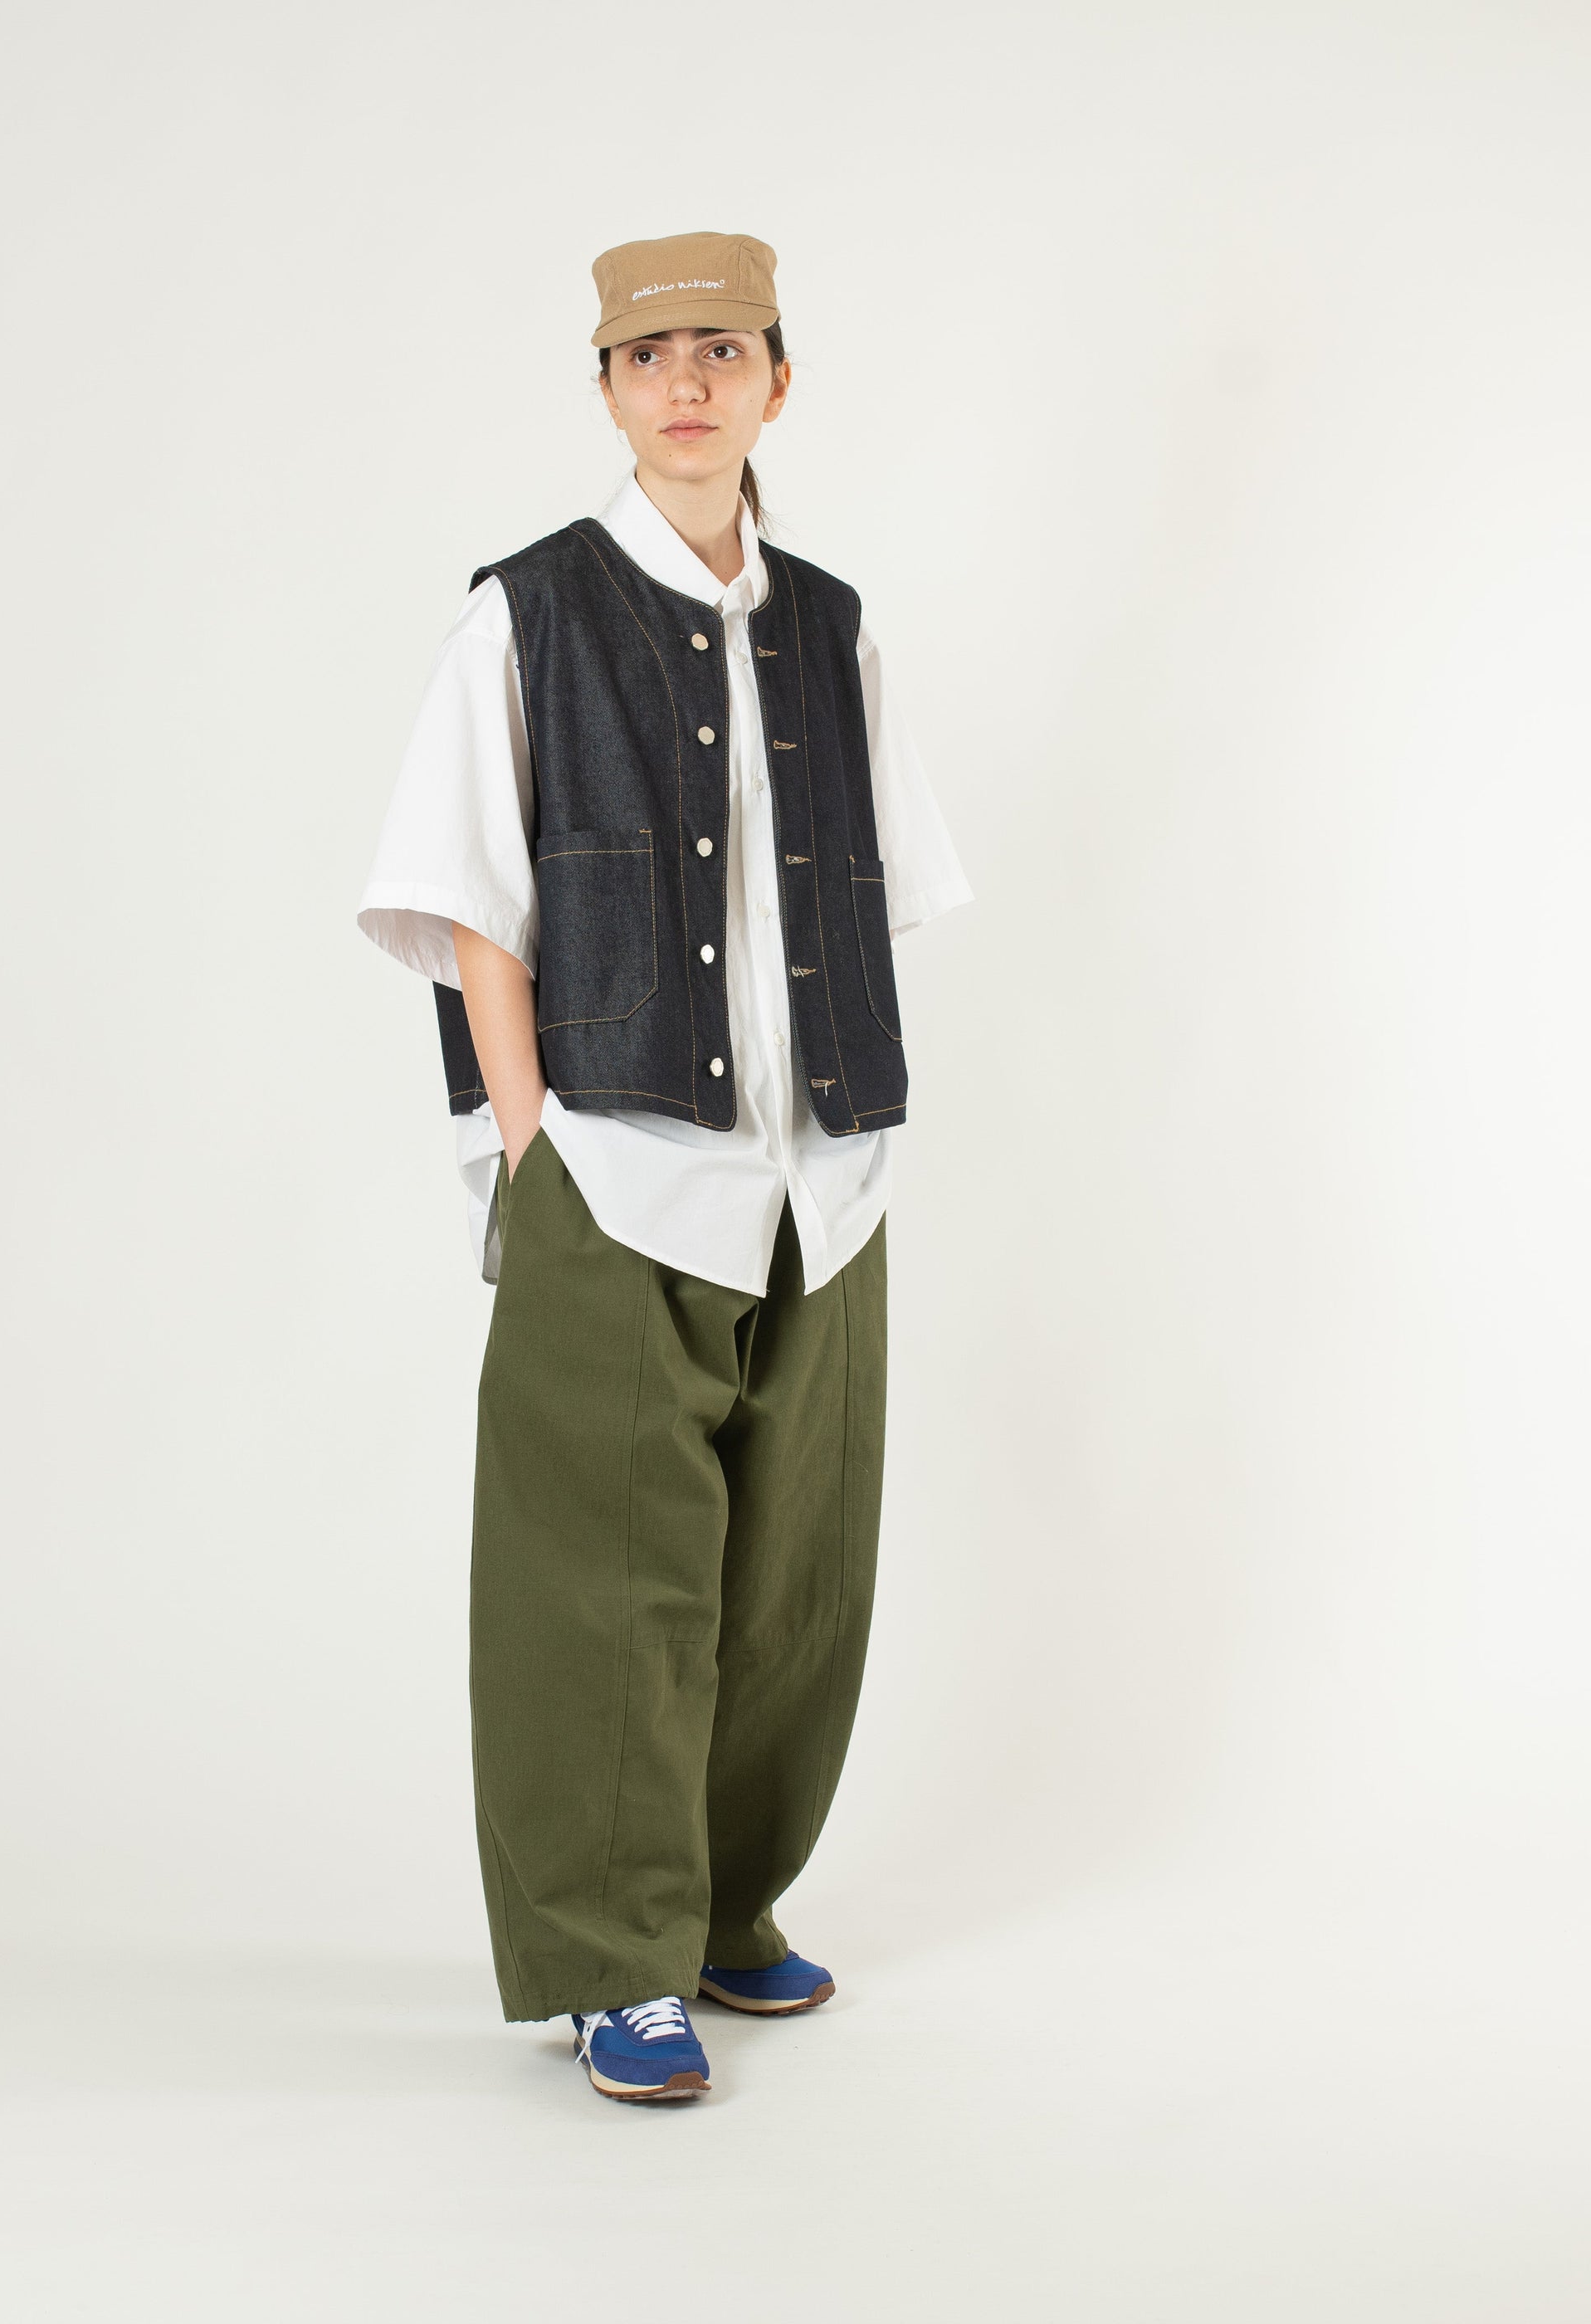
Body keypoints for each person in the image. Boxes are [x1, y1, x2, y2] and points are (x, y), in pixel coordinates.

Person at [358, 231, 971, 2102]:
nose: (685, 383)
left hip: (822, 1178)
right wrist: (529, 1144)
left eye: (721, 349)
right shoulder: (526, 613)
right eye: (647, 356)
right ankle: (610, 1959)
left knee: (794, 1583)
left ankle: (722, 1905)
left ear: (778, 380)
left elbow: (877, 884)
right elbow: (471, 902)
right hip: (615, 1171)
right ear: (608, 390)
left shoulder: (835, 623)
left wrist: (852, 1123)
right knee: (601, 1588)